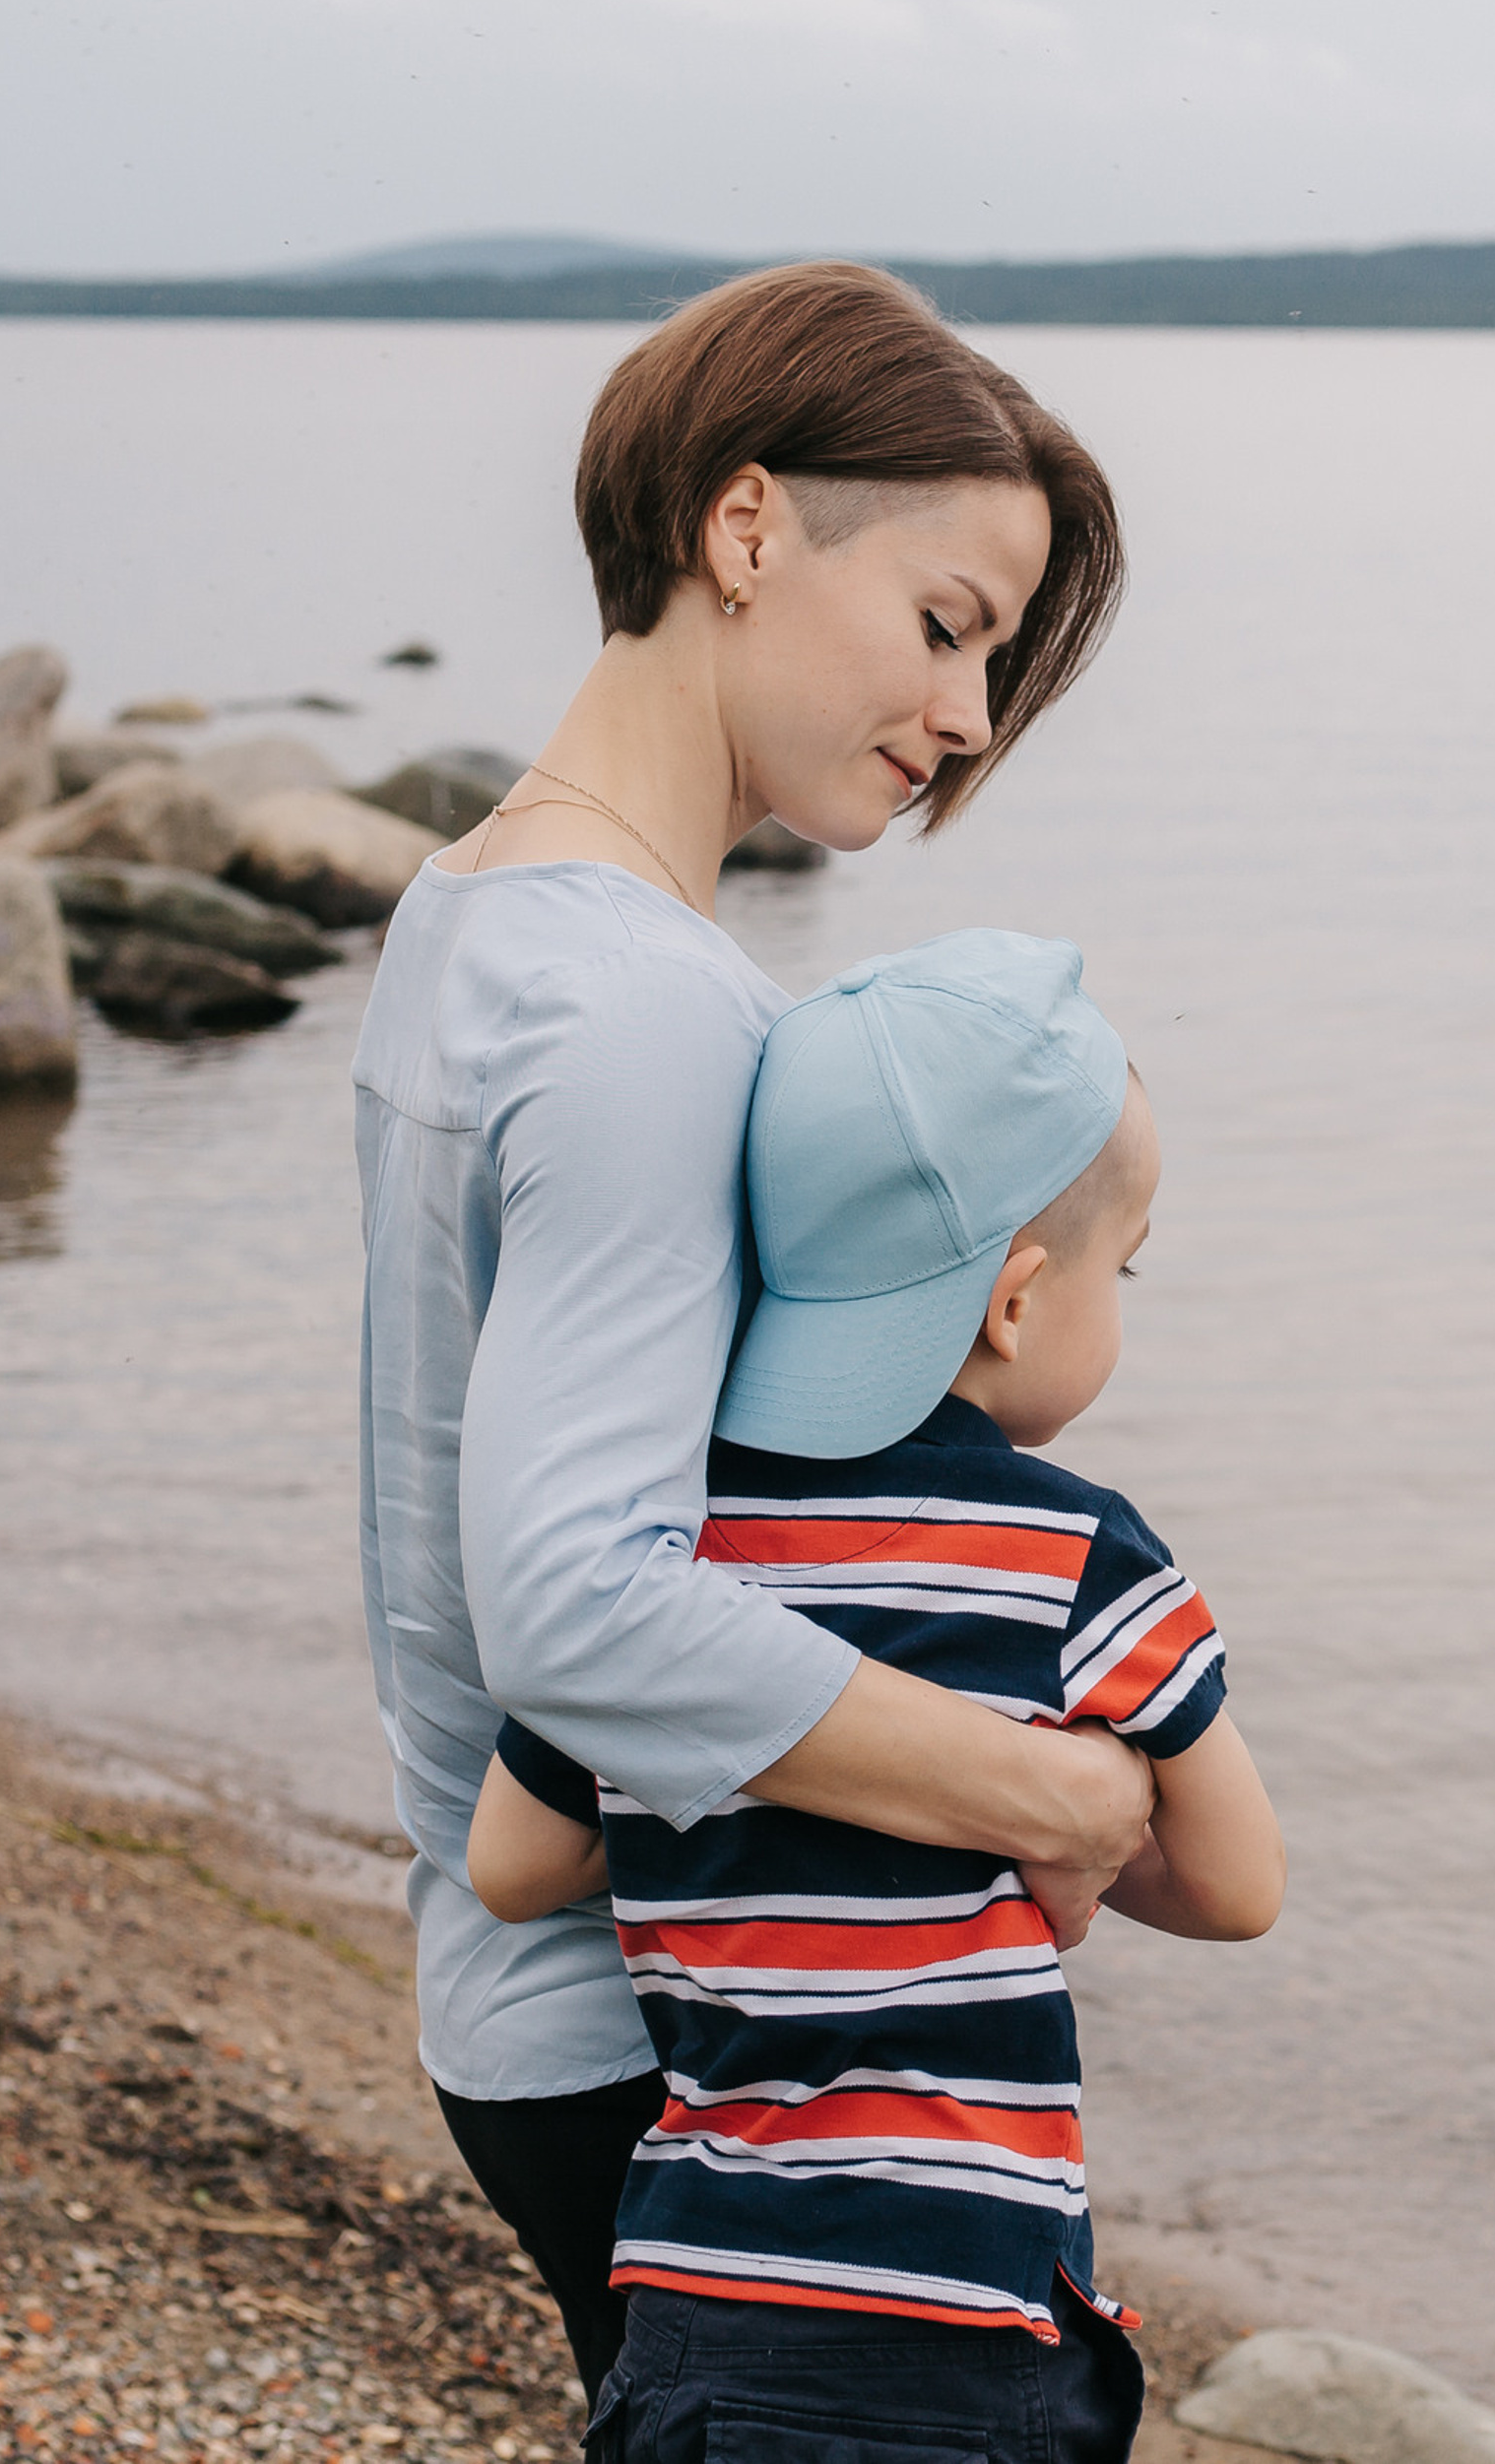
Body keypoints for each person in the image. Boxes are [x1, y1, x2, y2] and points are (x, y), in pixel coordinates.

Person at [351, 265, 1156, 2410]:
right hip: (672, 2041)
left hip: (544, 1979)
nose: (969, 715)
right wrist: (1045, 1788)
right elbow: (572, 1601)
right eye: (947, 620)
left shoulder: (481, 909)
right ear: (741, 529)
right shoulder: (639, 1010)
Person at [468, 931, 1284, 2464]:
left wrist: (729, 1786)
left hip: (698, 2304)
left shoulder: (663, 1546)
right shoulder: (1077, 1558)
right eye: (1131, 1266)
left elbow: (514, 1866)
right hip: (960, 2321)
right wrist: (1049, 1824)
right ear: (1019, 1301)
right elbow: (1238, 1888)